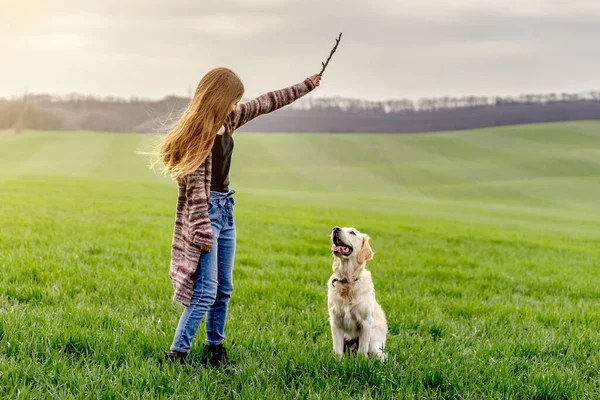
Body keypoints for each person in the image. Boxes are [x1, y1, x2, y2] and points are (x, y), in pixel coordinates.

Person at [153, 67, 321, 366]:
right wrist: (202, 228)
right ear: (218, 98)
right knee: (205, 292)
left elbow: (269, 101)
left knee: (224, 289)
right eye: (233, 99)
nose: (236, 105)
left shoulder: (228, 120)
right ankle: (177, 353)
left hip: (226, 211)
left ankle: (214, 350)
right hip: (205, 215)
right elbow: (195, 193)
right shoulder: (198, 134)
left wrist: (307, 85)